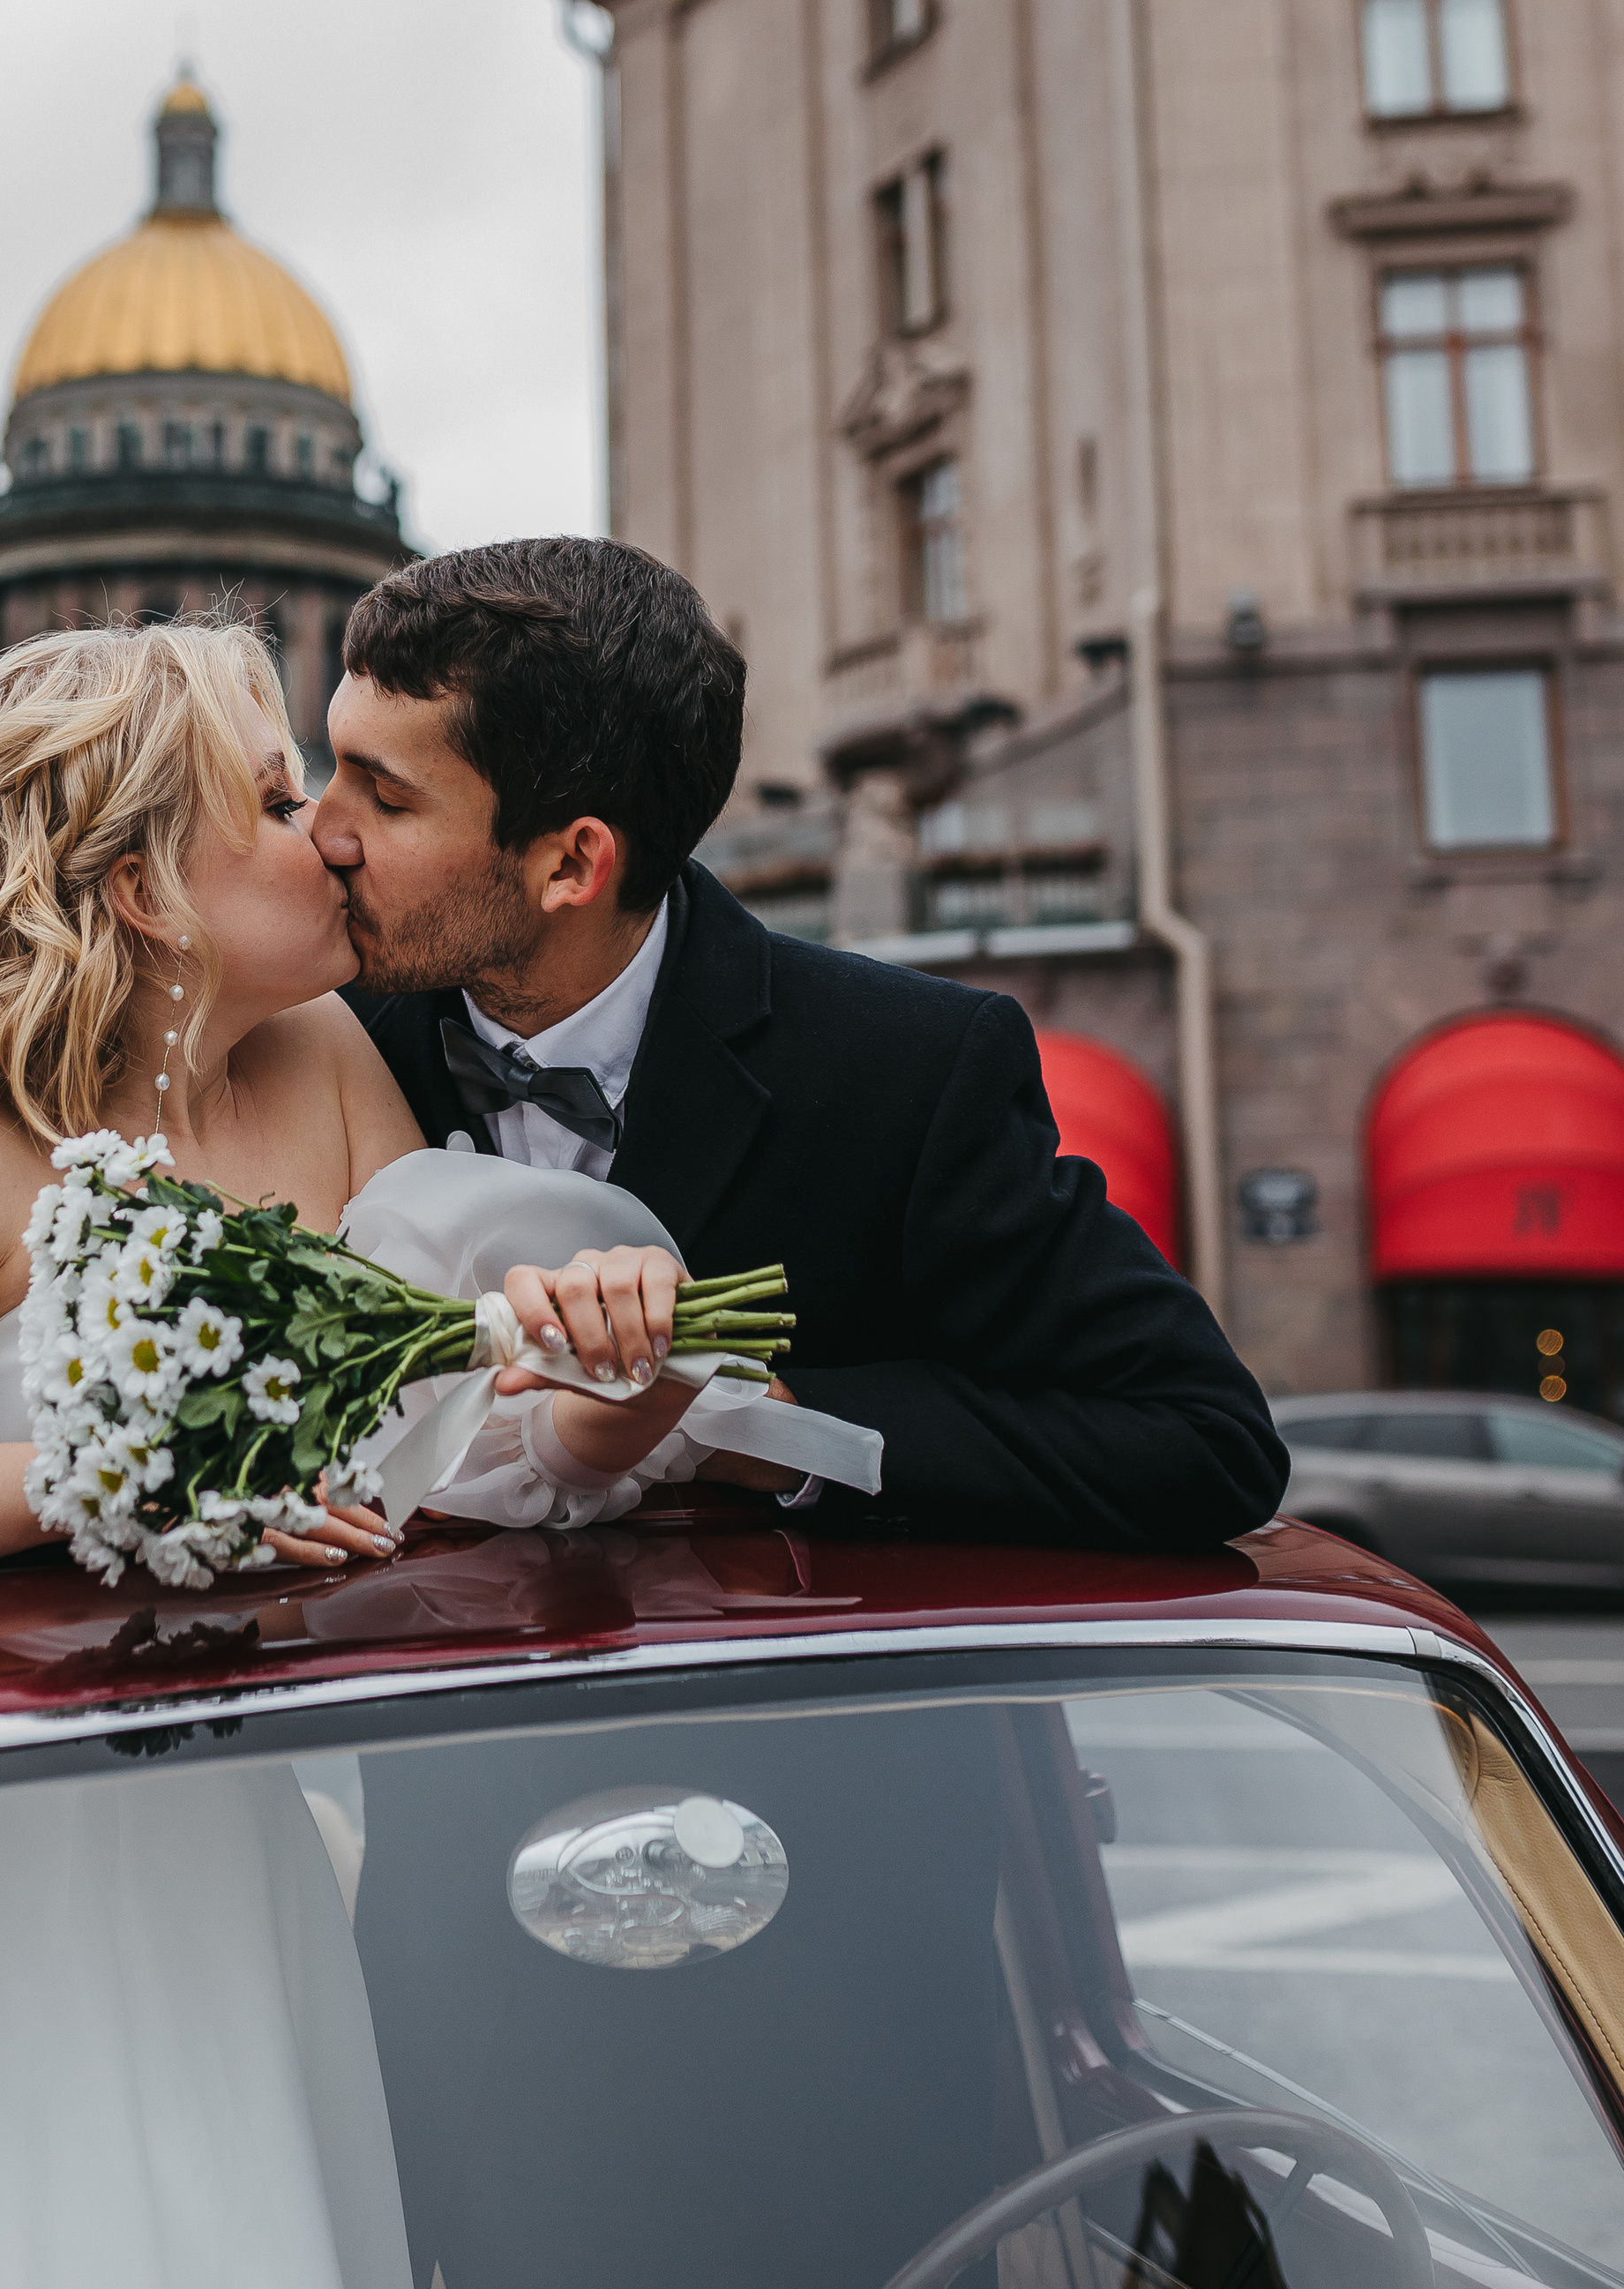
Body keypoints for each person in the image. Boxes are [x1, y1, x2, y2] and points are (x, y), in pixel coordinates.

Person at [0, 619, 730, 1630]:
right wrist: (117, 1483)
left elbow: (413, 1446)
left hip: (272, 1783)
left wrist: (614, 1373)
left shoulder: (323, 1056)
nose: (331, 834)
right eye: (277, 799)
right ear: (146, 891)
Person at [316, 534, 1288, 1554]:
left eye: (383, 797)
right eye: (327, 769)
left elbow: (1205, 1441)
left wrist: (763, 1423)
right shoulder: (322, 1045)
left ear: (571, 864)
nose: (322, 832)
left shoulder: (908, 1071)